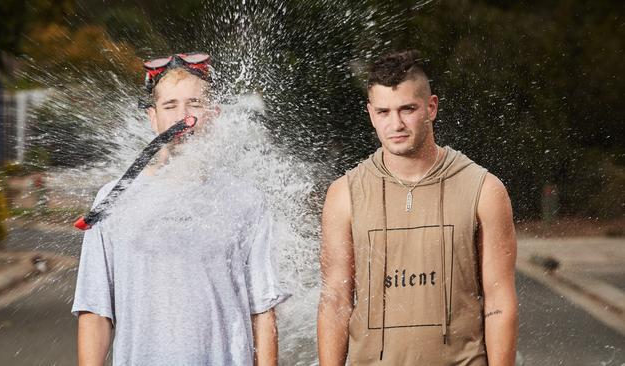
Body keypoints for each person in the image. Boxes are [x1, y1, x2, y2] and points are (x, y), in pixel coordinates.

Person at [72, 53, 289, 366]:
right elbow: (95, 312)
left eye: (194, 104)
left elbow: (262, 310)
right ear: (153, 117)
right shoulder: (112, 200)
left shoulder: (246, 201)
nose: (182, 117)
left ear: (213, 113)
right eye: (170, 106)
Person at [317, 50, 518, 365]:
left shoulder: (484, 190)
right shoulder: (344, 194)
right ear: (371, 113)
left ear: (431, 107)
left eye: (407, 109)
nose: (395, 123)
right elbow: (335, 300)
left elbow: (499, 300)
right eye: (383, 112)